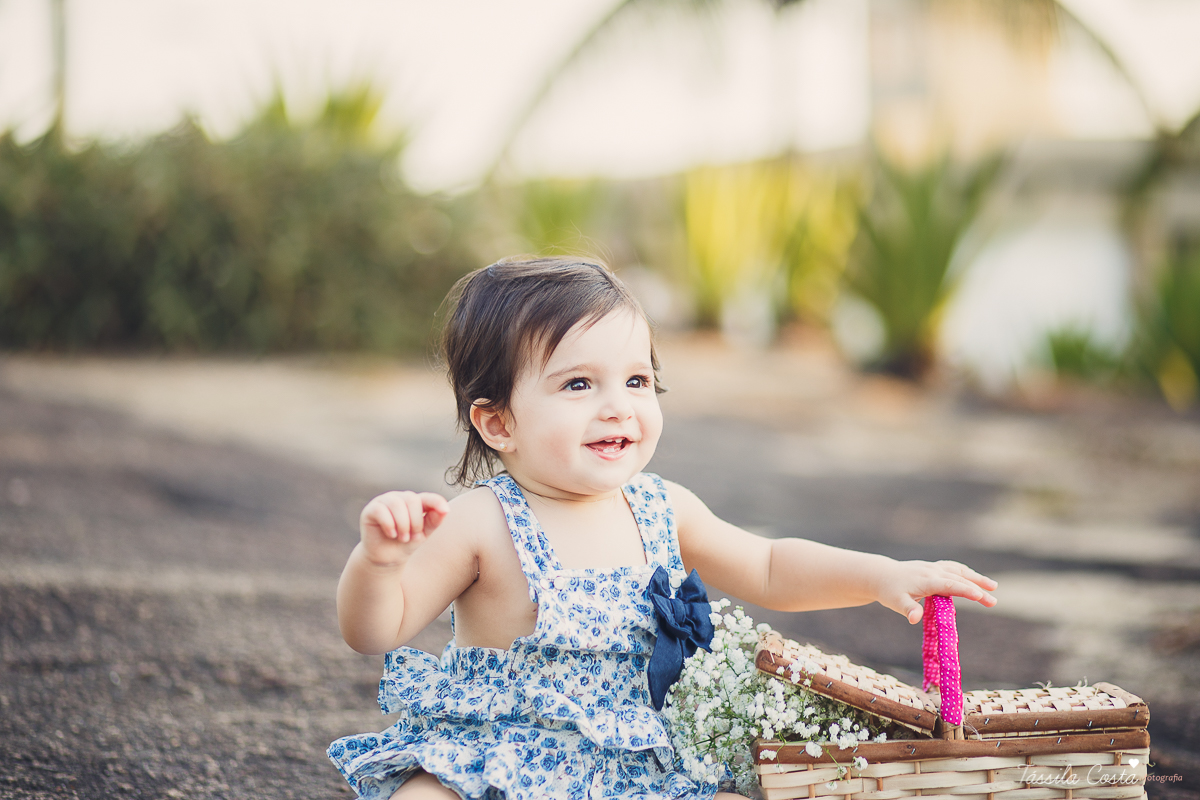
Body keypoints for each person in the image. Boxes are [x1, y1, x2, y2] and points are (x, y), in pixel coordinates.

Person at [328, 256, 998, 800]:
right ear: (498, 422)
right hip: (499, 754)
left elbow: (768, 566)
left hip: (638, 762)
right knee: (425, 794)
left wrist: (882, 576)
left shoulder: (660, 507)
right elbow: (374, 631)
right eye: (579, 385)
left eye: (638, 381)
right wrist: (379, 564)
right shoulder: (483, 520)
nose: (619, 407)